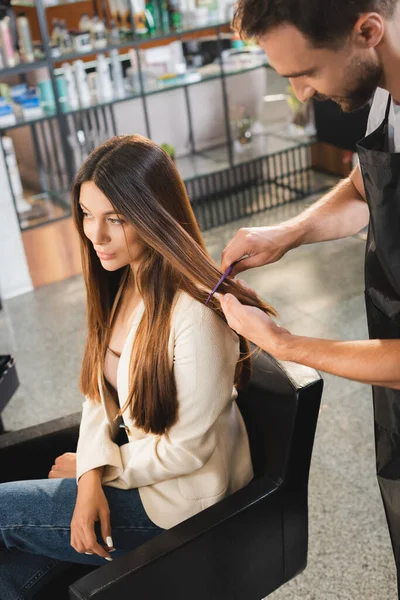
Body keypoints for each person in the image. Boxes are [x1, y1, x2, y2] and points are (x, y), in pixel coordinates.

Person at [0, 135, 277, 599]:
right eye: (87, 215)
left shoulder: (195, 313)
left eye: (116, 218)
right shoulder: (123, 282)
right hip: (136, 474)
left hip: (178, 506)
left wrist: (98, 471)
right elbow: (96, 393)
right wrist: (89, 473)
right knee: (11, 574)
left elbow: (185, 452)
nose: (96, 235)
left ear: (153, 215)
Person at [218, 0, 400, 592]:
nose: (300, 94)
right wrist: (287, 234)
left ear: (367, 31)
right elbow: (364, 187)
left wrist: (284, 343)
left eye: (307, 73)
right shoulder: (387, 93)